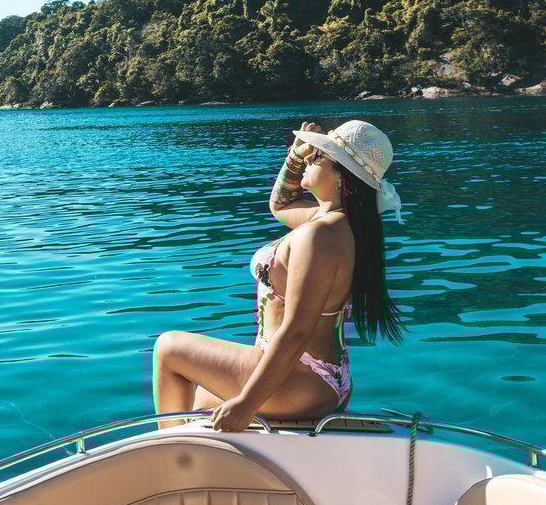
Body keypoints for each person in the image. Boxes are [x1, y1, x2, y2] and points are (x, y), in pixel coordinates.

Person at [152, 119, 404, 431]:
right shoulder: (338, 222)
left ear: (342, 175)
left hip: (301, 378)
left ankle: (167, 451)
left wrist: (247, 404)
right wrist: (295, 157)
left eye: (319, 155)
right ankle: (186, 448)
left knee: (169, 347)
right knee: (202, 399)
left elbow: (297, 329)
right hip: (325, 379)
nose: (310, 157)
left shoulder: (320, 235)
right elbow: (280, 205)